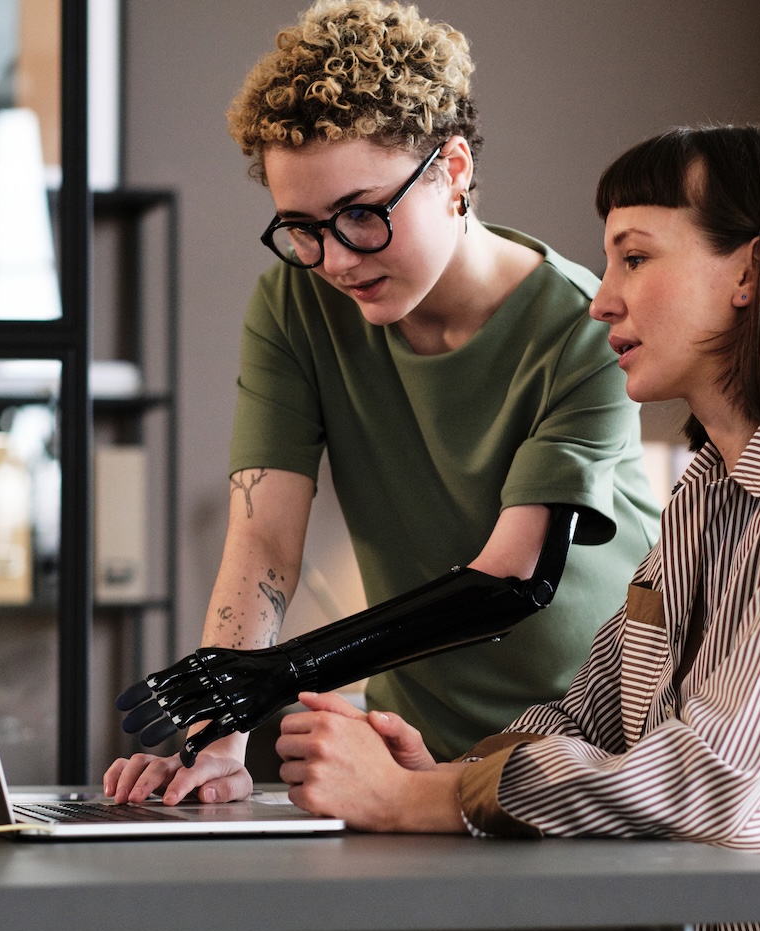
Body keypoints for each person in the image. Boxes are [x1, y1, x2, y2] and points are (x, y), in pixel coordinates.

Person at [275, 121, 760, 931]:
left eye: (635, 257)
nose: (602, 300)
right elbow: (589, 719)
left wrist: (419, 805)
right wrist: (444, 777)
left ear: (750, 272)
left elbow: (716, 785)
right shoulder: (705, 493)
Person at [104, 0, 659, 806]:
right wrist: (217, 741)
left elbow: (513, 580)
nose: (334, 259)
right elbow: (262, 538)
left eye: (362, 214)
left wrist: (279, 674)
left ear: (454, 170)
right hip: (409, 751)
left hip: (584, 752)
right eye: (302, 227)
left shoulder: (586, 325)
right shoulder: (294, 307)